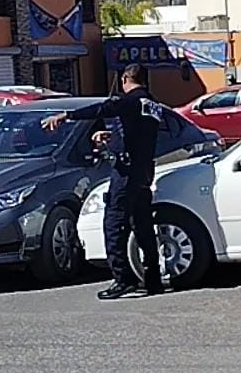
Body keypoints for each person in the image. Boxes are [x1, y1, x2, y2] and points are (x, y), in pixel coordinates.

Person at [42, 64, 163, 299]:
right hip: (144, 173)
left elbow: (104, 107)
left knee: (113, 224)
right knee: (143, 226)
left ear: (126, 79)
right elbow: (138, 135)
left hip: (126, 173)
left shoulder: (131, 101)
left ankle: (123, 279)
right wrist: (113, 138)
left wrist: (66, 115)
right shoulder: (152, 104)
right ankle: (153, 279)